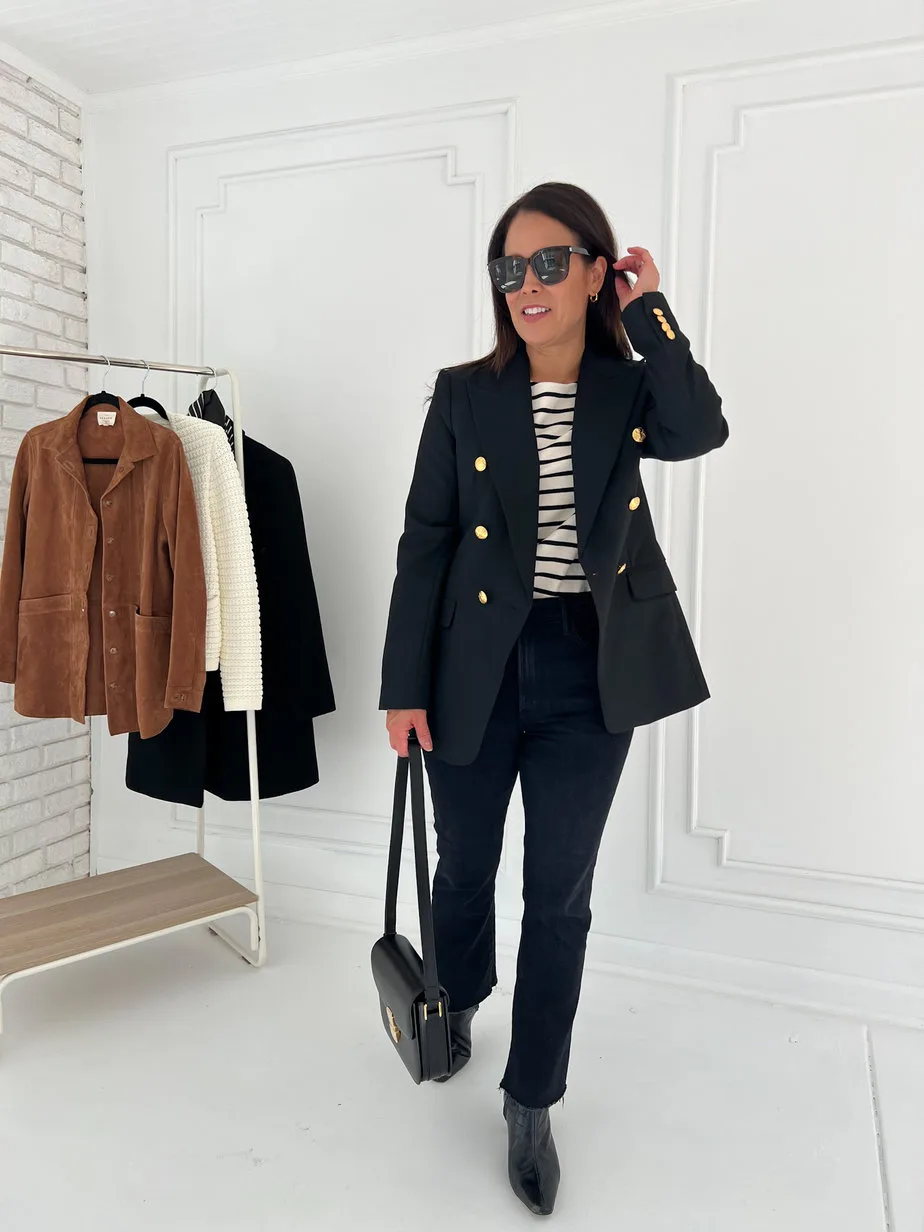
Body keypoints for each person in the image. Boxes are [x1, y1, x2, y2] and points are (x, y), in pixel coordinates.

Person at [380, 182, 727, 1216]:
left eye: (546, 264)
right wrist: (403, 685)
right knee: (466, 867)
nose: (525, 286)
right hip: (471, 667)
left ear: (590, 269)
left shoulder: (629, 390)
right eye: (508, 269)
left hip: (591, 670)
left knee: (560, 897)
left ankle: (532, 1099)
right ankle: (467, 991)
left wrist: (649, 311)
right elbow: (426, 541)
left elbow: (701, 428)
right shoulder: (462, 392)